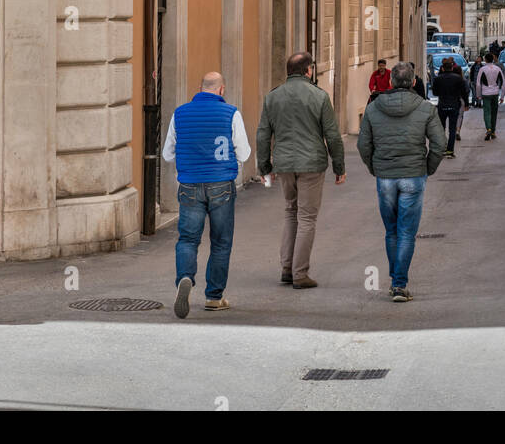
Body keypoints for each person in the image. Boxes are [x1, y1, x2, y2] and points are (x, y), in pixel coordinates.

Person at [357, 61, 446, 302]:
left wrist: (374, 167)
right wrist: (428, 168)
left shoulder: (374, 109)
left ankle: (395, 280)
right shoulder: (425, 108)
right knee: (407, 232)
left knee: (392, 230)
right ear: (414, 82)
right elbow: (439, 144)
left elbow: (363, 144)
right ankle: (399, 284)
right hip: (413, 174)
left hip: (385, 176)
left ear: (391, 82)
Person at [163, 72, 251, 318]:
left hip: (190, 184)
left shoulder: (179, 114)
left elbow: (168, 154)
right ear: (221, 90)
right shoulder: (231, 113)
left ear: (199, 88)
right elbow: (243, 153)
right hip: (221, 184)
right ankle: (214, 297)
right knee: (221, 242)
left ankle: (184, 278)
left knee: (188, 239)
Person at [256, 51, 346, 289]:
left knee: (290, 212)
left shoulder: (272, 97)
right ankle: (300, 273)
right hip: (311, 164)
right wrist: (339, 166)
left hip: (284, 163)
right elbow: (333, 136)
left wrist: (265, 166)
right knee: (307, 217)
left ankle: (287, 268)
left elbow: (263, 134)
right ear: (309, 71)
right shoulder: (319, 96)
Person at [431, 56, 469, 157]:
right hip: (454, 105)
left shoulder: (438, 79)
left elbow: (435, 93)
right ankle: (450, 151)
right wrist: (466, 103)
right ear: (452, 68)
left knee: (441, 128)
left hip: (442, 105)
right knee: (452, 129)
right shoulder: (458, 78)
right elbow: (464, 92)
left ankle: (443, 148)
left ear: (443, 68)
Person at [475, 53, 505, 140]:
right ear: (493, 59)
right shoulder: (497, 68)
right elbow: (503, 83)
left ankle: (488, 128)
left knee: (487, 112)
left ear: (485, 60)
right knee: (494, 113)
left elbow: (478, 84)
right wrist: (502, 96)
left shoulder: (482, 69)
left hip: (485, 93)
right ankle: (493, 131)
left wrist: (478, 95)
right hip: (495, 93)